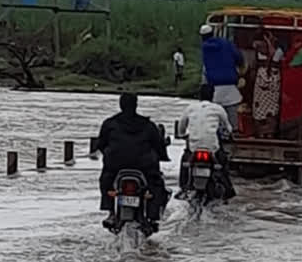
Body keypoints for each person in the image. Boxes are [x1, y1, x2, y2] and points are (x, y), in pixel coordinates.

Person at [97, 93, 170, 228]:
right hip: (144, 166)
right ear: (136, 105)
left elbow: (101, 144)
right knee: (156, 186)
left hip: (115, 166)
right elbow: (159, 146)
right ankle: (153, 217)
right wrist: (163, 156)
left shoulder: (110, 123)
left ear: (120, 105)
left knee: (106, 181)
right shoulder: (148, 125)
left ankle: (110, 212)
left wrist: (110, 155)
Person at [175, 84, 235, 200]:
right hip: (212, 147)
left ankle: (183, 188)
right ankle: (228, 189)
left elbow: (181, 126)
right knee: (222, 161)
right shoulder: (218, 108)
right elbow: (229, 128)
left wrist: (183, 135)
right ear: (213, 95)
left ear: (199, 96)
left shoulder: (190, 108)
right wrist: (229, 135)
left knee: (184, 161)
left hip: (194, 147)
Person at [199, 24, 245, 133]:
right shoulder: (226, 44)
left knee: (214, 118)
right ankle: (234, 132)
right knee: (232, 117)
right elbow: (238, 57)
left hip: (214, 89)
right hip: (230, 88)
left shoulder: (205, 48)